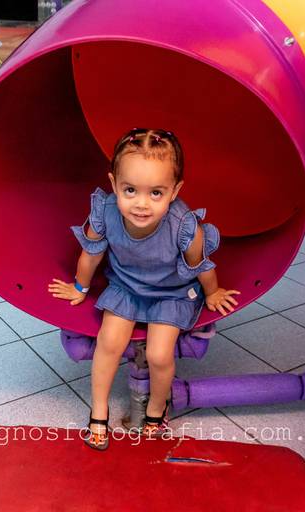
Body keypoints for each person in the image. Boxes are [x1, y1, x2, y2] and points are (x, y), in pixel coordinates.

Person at [48, 128, 240, 450]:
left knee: (158, 354)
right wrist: (80, 287)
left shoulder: (183, 225)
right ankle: (98, 411)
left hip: (171, 293)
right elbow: (91, 254)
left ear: (174, 190)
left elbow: (199, 264)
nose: (141, 204)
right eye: (130, 190)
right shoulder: (106, 211)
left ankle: (156, 409)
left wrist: (212, 293)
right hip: (126, 286)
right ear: (114, 184)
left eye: (156, 193)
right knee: (108, 342)